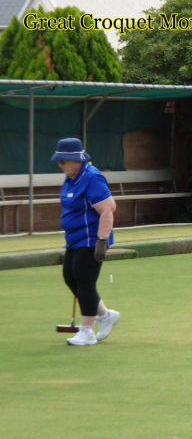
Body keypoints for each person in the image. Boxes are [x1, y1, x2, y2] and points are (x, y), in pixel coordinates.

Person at [52, 138, 120, 345]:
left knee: (85, 282)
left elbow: (108, 208)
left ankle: (87, 331)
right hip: (74, 239)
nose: (60, 165)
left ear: (76, 160)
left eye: (63, 161)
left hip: (91, 238)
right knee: (70, 278)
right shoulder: (71, 177)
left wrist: (102, 240)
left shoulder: (91, 177)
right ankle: (106, 316)